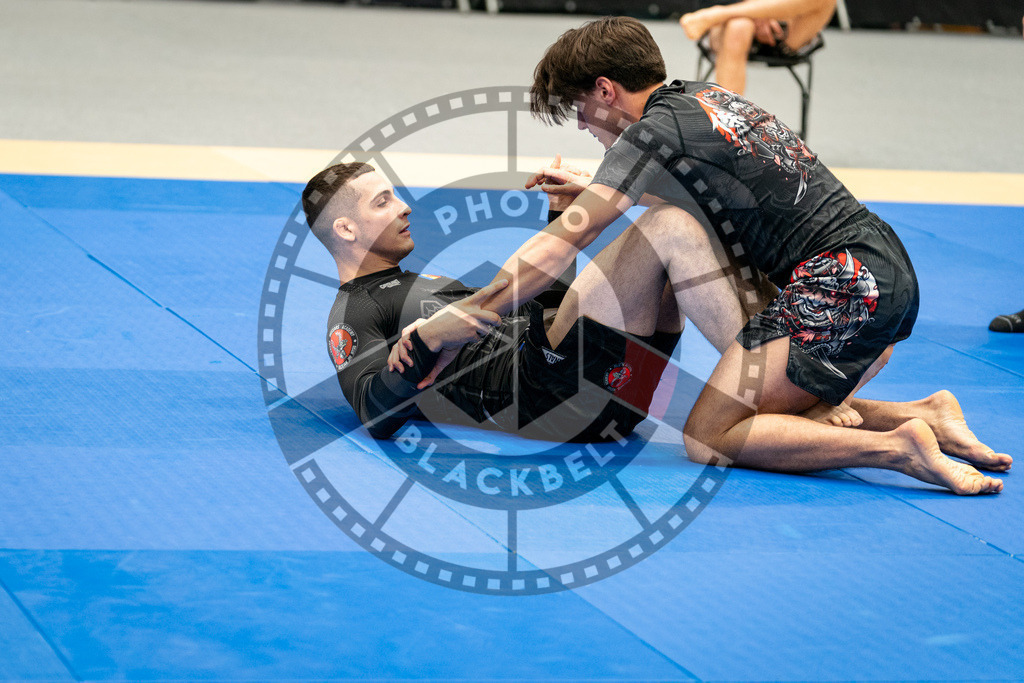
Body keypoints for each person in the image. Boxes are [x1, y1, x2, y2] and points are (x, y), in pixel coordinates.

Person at [433, 16, 1009, 494]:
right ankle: (926, 413)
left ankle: (896, 448)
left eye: (581, 109)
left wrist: (477, 306)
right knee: (681, 234)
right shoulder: (703, 99)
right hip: (879, 271)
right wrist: (598, 187)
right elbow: (721, 205)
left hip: (840, 289)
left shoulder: (647, 135)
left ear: (606, 90)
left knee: (710, 433)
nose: (583, 125)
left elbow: (564, 241)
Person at [302, 160, 758, 443]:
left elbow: (550, 315)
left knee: (691, 240)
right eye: (383, 202)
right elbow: (371, 413)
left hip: (608, 400)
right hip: (554, 405)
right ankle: (766, 379)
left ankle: (775, 371)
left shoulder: (418, 282)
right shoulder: (354, 311)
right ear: (345, 229)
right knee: (669, 227)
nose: (404, 206)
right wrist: (428, 341)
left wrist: (562, 212)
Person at [679, 0, 835, 95]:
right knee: (738, 28)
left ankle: (721, 14)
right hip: (731, 23)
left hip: (786, 23)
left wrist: (765, 10)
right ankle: (728, 130)